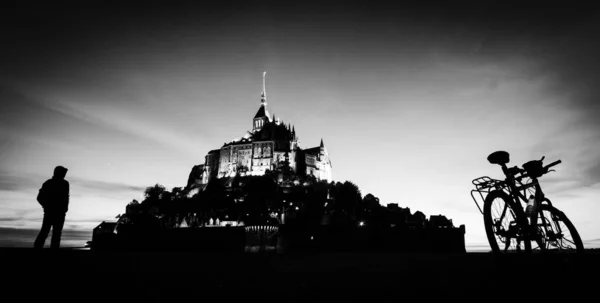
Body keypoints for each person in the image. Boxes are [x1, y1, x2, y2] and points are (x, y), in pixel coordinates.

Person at [34, 166, 70, 249]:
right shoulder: (48, 183)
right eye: (63, 173)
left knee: (56, 234)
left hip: (60, 213)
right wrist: (47, 207)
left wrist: (65, 208)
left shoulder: (65, 184)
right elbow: (39, 198)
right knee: (44, 232)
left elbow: (66, 197)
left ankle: (54, 252)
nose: (64, 175)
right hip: (50, 213)